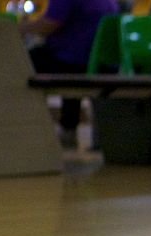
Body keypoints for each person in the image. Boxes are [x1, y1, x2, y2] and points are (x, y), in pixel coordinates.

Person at [20, 0, 119, 149]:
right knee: (62, 58)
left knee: (21, 64)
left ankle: (27, 128)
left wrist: (20, 28)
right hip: (100, 62)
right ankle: (68, 129)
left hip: (72, 61)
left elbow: (49, 25)